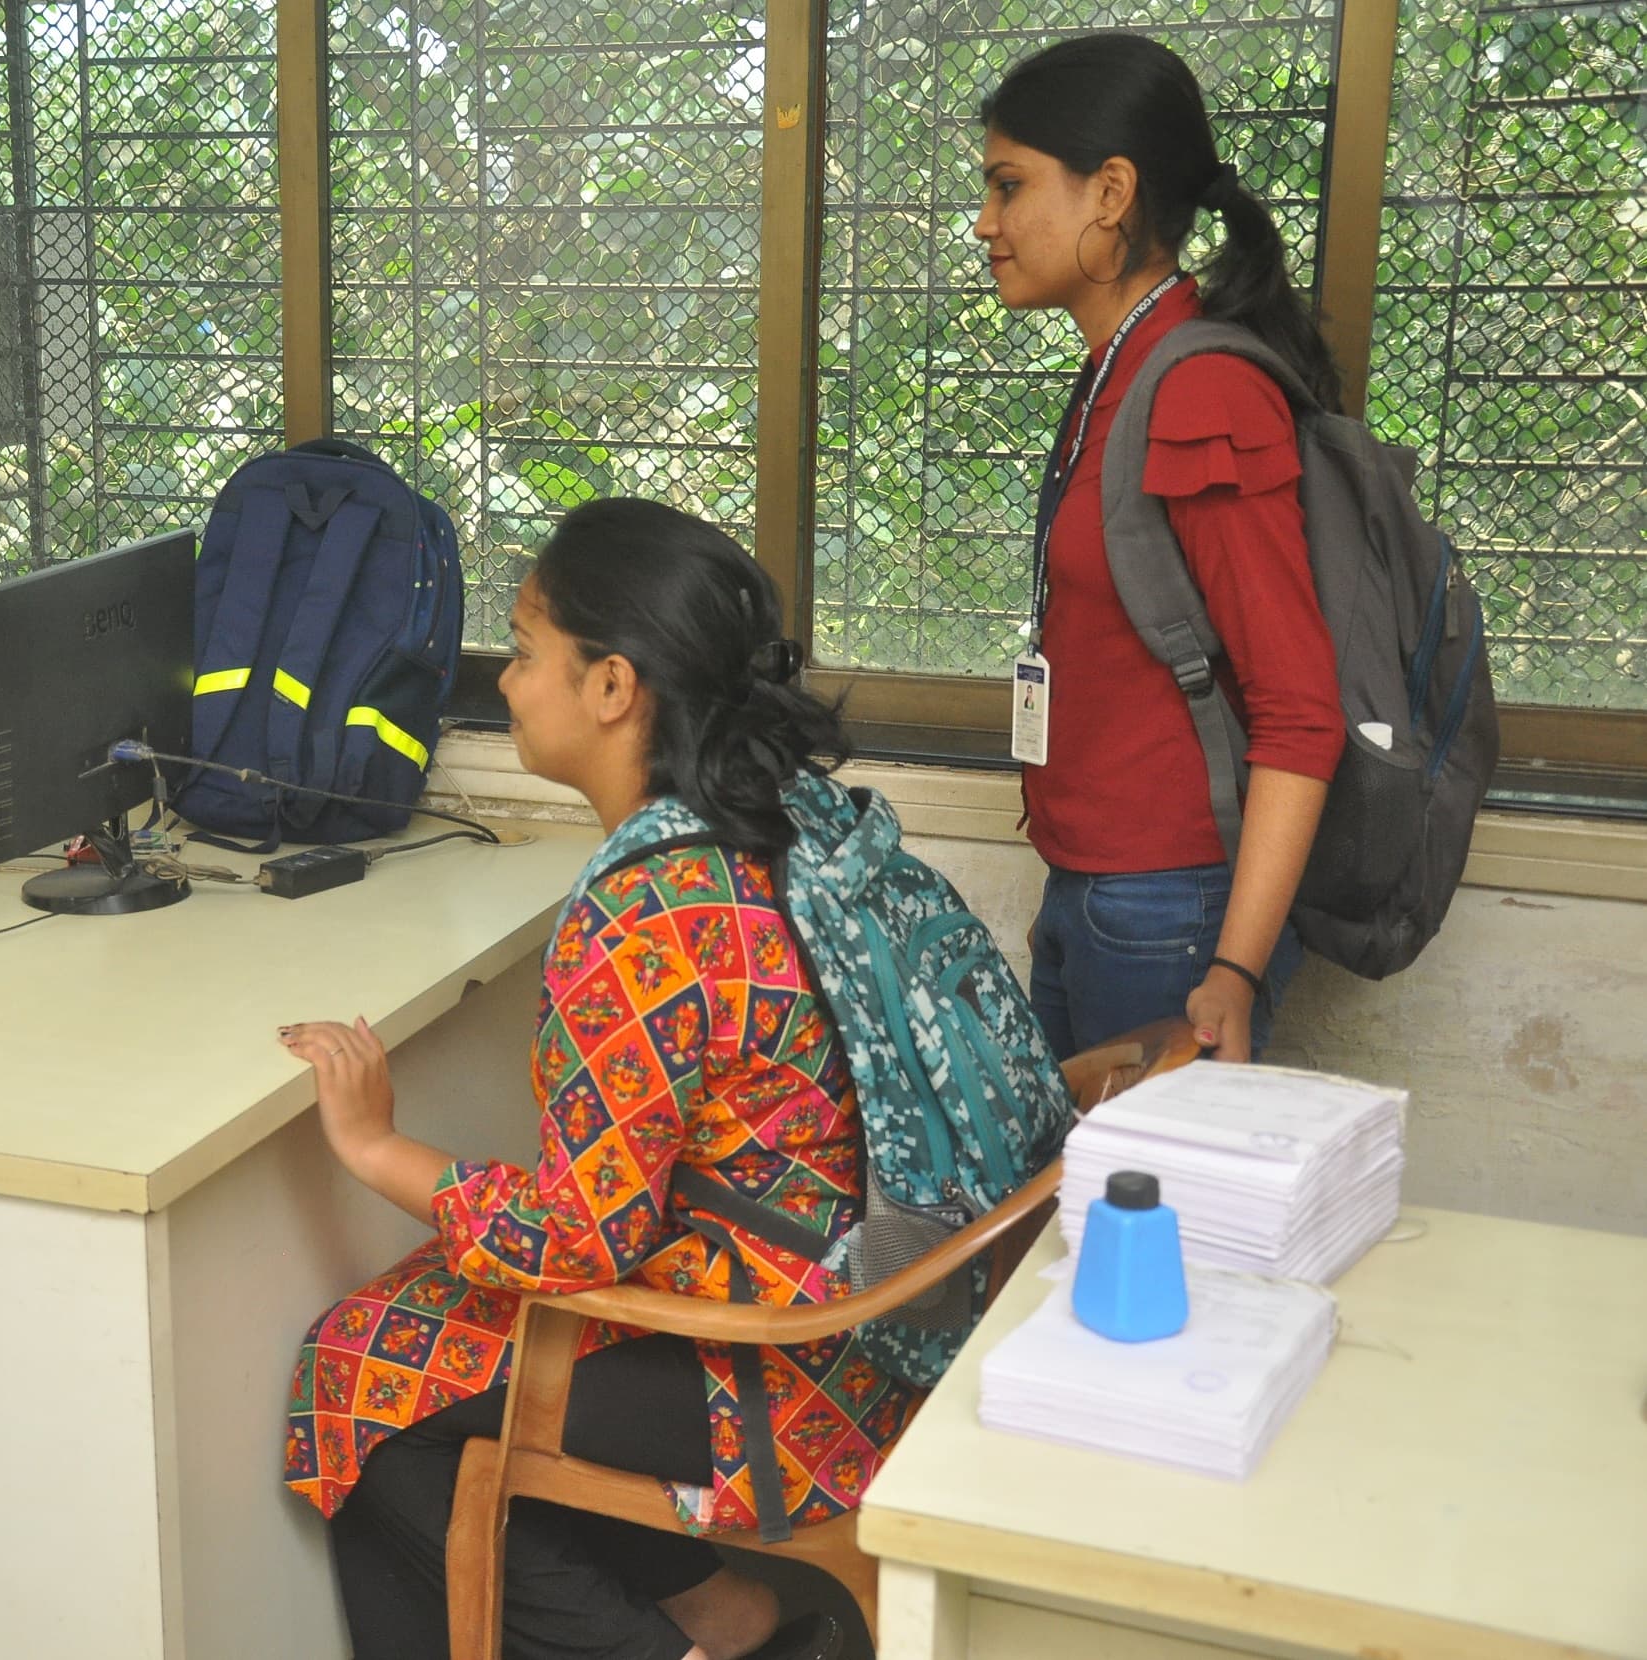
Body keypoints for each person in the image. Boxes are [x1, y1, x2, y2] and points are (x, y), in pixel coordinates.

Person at [278, 500, 912, 1660]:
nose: (508, 682)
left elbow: (581, 1240)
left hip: (779, 1358)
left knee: (359, 1378)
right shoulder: (789, 819)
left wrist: (376, 1146)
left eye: (525, 651)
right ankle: (723, 1614)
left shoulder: (645, 914)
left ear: (613, 686)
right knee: (418, 1333)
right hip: (882, 1303)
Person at [974, 33, 1345, 1063]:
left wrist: (1230, 970)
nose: (985, 223)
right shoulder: (1120, 368)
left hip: (1165, 913)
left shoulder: (1199, 390)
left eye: (1009, 187)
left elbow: (1299, 709)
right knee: (1065, 1212)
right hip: (1091, 887)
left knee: (1133, 1220)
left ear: (1110, 192)